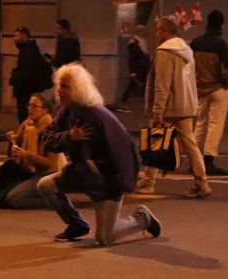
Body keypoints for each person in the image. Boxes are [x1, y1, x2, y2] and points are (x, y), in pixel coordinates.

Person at [37, 64, 160, 244]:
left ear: (77, 88)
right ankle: (77, 225)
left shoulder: (98, 115)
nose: (58, 90)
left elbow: (125, 150)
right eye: (59, 85)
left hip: (106, 181)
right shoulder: (67, 111)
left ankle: (142, 218)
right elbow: (47, 137)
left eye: (65, 86)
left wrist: (126, 184)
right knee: (46, 186)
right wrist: (69, 136)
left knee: (105, 238)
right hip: (81, 173)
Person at [136, 16, 212, 198]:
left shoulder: (164, 52)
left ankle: (148, 182)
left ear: (165, 32)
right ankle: (202, 182)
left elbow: (162, 85)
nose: (156, 34)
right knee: (190, 145)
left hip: (169, 108)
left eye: (158, 30)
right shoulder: (186, 50)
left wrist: (157, 111)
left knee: (155, 143)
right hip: (186, 106)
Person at [0, 94, 64, 208]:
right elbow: (10, 155)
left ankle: (54, 203)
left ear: (45, 110)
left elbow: (51, 164)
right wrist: (12, 142)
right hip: (27, 171)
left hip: (45, 174)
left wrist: (27, 155)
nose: (30, 109)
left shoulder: (50, 131)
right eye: (29, 105)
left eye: (34, 106)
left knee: (13, 199)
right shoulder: (27, 124)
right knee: (1, 189)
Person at [192, 10, 228, 176]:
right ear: (221, 24)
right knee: (215, 124)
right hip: (218, 88)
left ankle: (194, 159)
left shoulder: (196, 42)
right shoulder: (221, 44)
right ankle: (208, 159)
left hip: (200, 88)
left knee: (200, 123)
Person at [10, 26, 50, 122]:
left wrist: (15, 75)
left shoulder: (27, 51)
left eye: (16, 35)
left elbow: (27, 72)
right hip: (27, 89)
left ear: (24, 36)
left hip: (25, 90)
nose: (14, 38)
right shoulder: (28, 49)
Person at [117, 25, 150, 111]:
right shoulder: (133, 43)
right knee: (134, 85)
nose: (144, 33)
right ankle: (123, 102)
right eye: (143, 31)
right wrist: (132, 72)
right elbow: (133, 58)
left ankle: (123, 102)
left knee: (136, 85)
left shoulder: (140, 42)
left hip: (142, 68)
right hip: (139, 68)